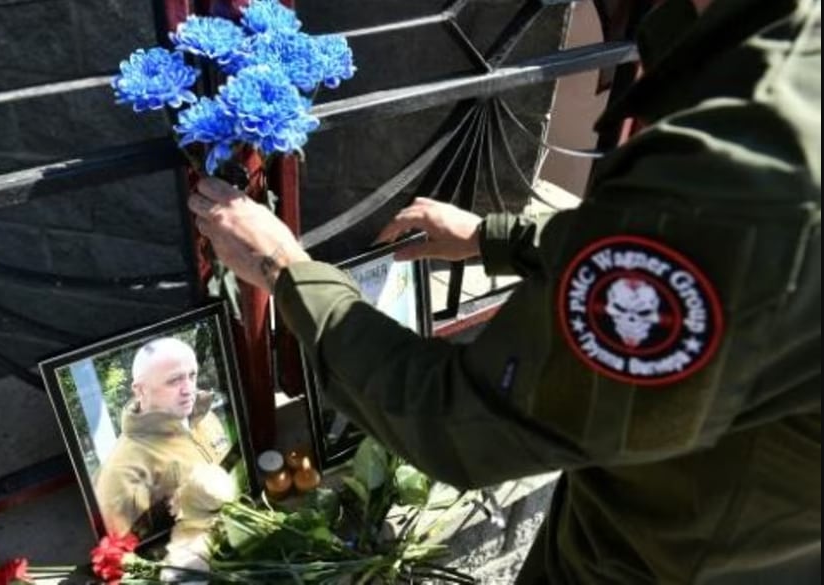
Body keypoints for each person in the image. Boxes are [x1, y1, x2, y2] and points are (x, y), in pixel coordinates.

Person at [188, 0, 820, 581]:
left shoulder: (749, 159)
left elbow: (465, 422)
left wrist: (284, 270)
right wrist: (501, 238)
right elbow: (711, 255)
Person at [94, 337, 231, 538]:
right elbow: (133, 554)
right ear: (140, 390)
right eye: (174, 380)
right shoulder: (121, 472)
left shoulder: (205, 417)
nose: (188, 389)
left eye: (191, 376)